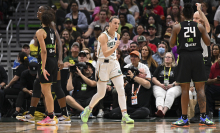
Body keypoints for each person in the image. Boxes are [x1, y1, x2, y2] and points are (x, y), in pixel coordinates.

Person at [80, 16, 134, 124]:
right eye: (115, 23)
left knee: (120, 89)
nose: (117, 26)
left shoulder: (117, 35)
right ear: (109, 23)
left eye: (118, 24)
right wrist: (115, 47)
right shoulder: (102, 36)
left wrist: (115, 49)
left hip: (114, 64)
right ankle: (88, 109)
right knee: (101, 94)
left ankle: (124, 115)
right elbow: (105, 53)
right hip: (103, 64)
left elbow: (113, 53)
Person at [169, 3, 215, 127]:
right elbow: (207, 42)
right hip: (197, 57)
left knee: (184, 90)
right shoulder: (200, 26)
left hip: (184, 58)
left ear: (183, 15)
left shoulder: (177, 27)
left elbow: (171, 44)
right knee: (200, 89)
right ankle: (204, 117)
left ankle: (184, 119)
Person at [152, 52, 181, 117]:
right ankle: (159, 110)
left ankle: (163, 111)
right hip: (160, 85)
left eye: (169, 57)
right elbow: (153, 78)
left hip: (174, 86)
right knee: (159, 94)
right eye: (166, 57)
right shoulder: (160, 67)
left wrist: (172, 85)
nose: (167, 58)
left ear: (172, 59)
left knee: (170, 93)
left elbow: (180, 79)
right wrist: (160, 85)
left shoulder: (176, 68)